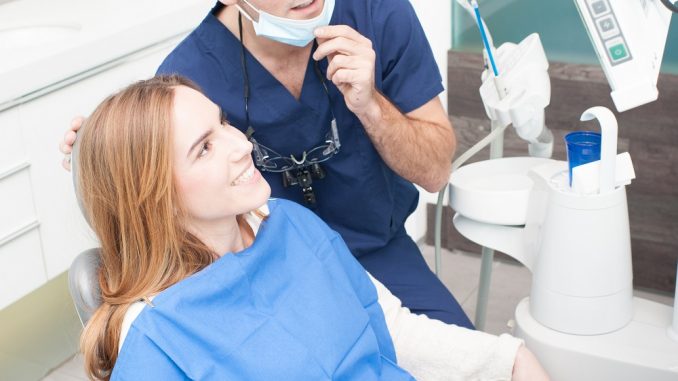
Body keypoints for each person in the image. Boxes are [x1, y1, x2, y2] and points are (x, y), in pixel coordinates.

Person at [74, 75, 548, 381]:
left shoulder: (290, 224)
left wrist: (505, 361)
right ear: (153, 193)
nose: (241, 145)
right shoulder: (160, 338)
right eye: (204, 148)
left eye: (223, 125)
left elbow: (389, 328)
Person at [62, 0, 469, 327]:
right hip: (265, 277)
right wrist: (101, 155)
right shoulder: (188, 75)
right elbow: (160, 211)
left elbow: (435, 173)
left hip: (380, 255)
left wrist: (373, 109)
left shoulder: (376, 13)